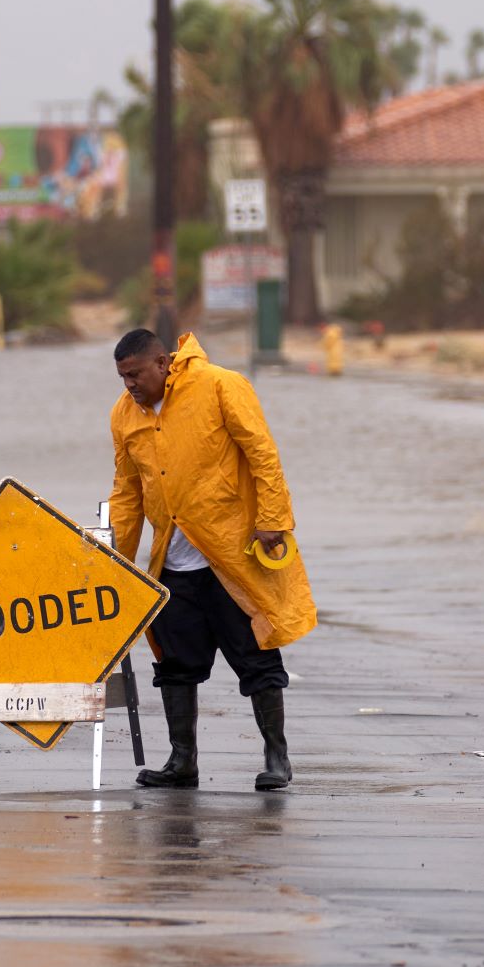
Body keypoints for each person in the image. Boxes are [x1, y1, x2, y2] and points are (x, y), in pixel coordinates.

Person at [109, 327, 317, 791]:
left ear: (163, 363)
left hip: (229, 556)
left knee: (257, 656)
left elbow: (262, 453)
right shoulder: (125, 416)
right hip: (172, 564)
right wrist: (116, 562)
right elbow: (127, 493)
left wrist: (274, 518)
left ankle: (276, 757)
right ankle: (182, 762)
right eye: (122, 377)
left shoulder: (221, 385)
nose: (129, 385)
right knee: (175, 663)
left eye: (136, 374)